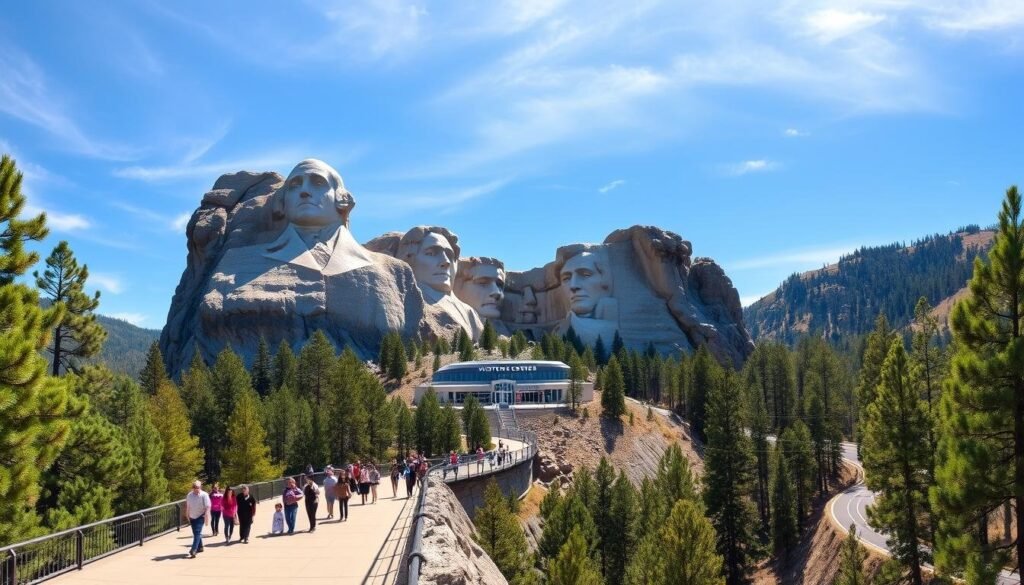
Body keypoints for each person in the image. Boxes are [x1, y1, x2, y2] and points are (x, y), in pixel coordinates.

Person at [185, 480, 211, 559]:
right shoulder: (189, 495)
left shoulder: (204, 495)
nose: (197, 489)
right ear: (193, 488)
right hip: (192, 516)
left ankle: (194, 550)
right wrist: (187, 515)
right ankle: (200, 547)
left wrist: (206, 516)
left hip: (201, 516)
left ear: (200, 487)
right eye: (195, 487)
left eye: (198, 487)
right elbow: (188, 506)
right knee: (196, 533)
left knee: (197, 532)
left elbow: (208, 506)